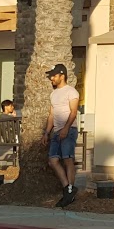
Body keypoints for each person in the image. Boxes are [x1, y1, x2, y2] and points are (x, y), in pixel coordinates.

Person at [44, 63, 80, 207]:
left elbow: (73, 112)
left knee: (67, 159)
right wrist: (46, 133)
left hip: (69, 130)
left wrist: (66, 128)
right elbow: (51, 115)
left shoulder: (71, 92)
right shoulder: (53, 94)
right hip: (57, 131)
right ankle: (68, 188)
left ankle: (69, 190)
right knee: (53, 160)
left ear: (62, 75)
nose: (51, 78)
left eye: (54, 75)